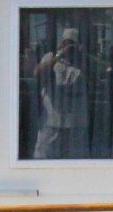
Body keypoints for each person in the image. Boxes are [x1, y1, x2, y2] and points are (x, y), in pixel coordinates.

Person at [33, 28, 90, 157]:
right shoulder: (51, 57)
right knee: (43, 160)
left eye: (71, 44)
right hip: (51, 123)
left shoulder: (83, 61)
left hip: (75, 124)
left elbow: (101, 73)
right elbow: (37, 73)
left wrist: (82, 56)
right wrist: (60, 55)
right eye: (65, 43)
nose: (68, 47)